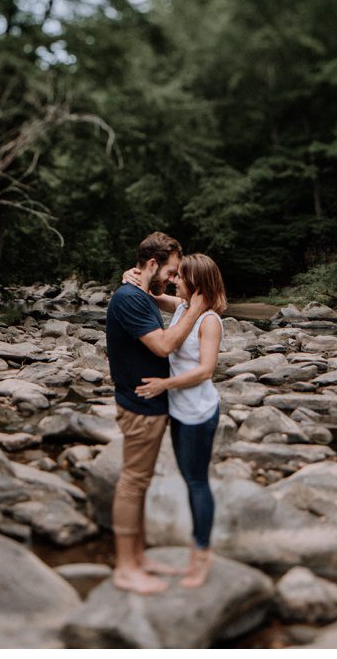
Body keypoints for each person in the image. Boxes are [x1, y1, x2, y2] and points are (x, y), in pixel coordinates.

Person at [105, 231, 208, 595]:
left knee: (140, 482)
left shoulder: (139, 292)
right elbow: (164, 346)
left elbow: (158, 296)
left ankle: (139, 557)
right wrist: (196, 309)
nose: (174, 277)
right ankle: (125, 567)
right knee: (133, 483)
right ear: (152, 264)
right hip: (139, 404)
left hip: (149, 403)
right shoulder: (129, 298)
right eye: (172, 270)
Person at [128, 253, 227, 588]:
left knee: (197, 482)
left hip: (198, 412)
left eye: (180, 277)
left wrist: (164, 385)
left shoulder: (209, 320)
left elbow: (206, 370)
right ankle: (197, 549)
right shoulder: (184, 307)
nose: (174, 280)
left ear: (196, 283)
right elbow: (154, 296)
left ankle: (203, 554)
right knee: (189, 478)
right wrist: (135, 277)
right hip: (180, 410)